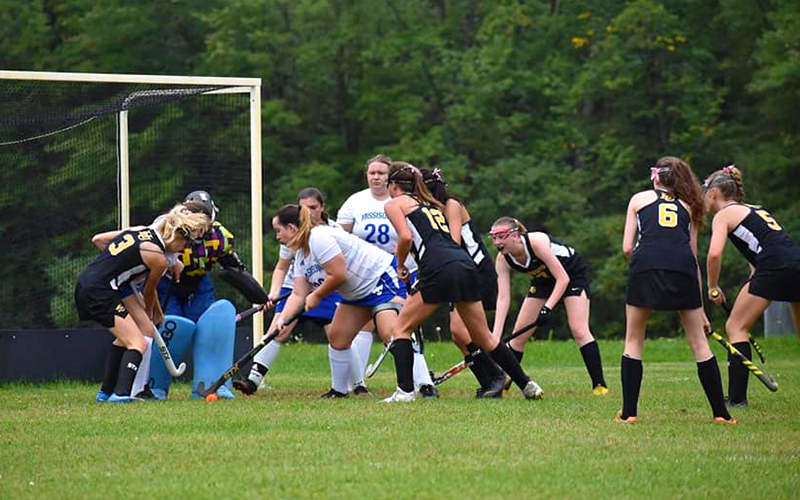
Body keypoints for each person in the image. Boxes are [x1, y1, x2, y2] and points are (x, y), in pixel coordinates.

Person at [384, 161, 544, 402]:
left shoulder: (394, 203)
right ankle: (526, 384)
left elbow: (405, 236)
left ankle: (405, 392)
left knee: (401, 329)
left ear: (393, 185)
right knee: (483, 336)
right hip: (464, 264)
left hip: (439, 267)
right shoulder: (431, 205)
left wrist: (400, 264)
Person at [619, 156, 735, 424]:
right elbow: (693, 257)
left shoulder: (638, 200)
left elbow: (627, 247)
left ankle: (629, 414)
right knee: (698, 342)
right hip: (682, 268)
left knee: (634, 339)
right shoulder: (689, 206)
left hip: (645, 265)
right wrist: (701, 309)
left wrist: (645, 264)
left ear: (656, 177)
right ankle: (721, 414)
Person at [275, 204, 407, 398]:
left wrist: (317, 295)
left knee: (391, 333)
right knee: (338, 337)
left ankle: (418, 386)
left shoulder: (319, 238)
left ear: (292, 229)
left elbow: (339, 274)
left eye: (279, 231)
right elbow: (298, 294)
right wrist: (282, 320)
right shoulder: (302, 255)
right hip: (356, 293)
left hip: (380, 278)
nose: (278, 237)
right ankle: (339, 390)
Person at [77, 210, 209, 403]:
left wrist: (155, 314)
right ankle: (121, 395)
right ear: (179, 236)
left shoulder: (143, 232)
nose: (185, 249)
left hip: (94, 284)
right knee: (137, 342)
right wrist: (151, 312)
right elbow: (149, 291)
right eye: (187, 244)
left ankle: (105, 393)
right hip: (100, 291)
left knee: (131, 336)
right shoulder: (158, 258)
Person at [337, 154, 438, 398]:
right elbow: (340, 237)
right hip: (366, 272)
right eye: (372, 173)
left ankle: (423, 382)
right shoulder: (356, 201)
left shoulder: (402, 201)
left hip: (400, 269)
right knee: (362, 324)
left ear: (390, 178)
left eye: (381, 173)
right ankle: (357, 383)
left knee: (400, 326)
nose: (376, 177)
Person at [235, 188, 347, 396]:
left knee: (337, 335)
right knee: (279, 329)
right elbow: (281, 267)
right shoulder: (292, 233)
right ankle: (253, 380)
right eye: (304, 208)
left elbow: (339, 268)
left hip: (326, 284)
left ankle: (353, 384)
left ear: (322, 208)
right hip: (295, 284)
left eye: (313, 207)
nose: (309, 213)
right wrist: (273, 294)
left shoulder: (332, 231)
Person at [704, 165, 800, 407]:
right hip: (793, 262)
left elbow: (714, 255)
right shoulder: (755, 209)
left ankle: (736, 400)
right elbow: (756, 260)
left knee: (735, 326)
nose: (702, 196)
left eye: (704, 190)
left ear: (714, 192)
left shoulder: (724, 215)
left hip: (774, 266)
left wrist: (712, 286)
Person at [488, 218, 608, 396]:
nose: (497, 243)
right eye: (493, 237)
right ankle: (503, 385)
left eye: (501, 237)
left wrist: (547, 308)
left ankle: (599, 385)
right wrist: (495, 337)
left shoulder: (536, 242)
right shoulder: (502, 260)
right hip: (543, 281)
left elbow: (563, 279)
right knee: (518, 336)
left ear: (514, 236)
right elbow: (503, 298)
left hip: (571, 275)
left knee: (579, 329)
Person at [421, 167, 506, 398]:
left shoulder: (451, 205)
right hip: (458, 271)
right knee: (459, 334)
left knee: (464, 330)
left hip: (473, 270)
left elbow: (454, 241)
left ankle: (498, 376)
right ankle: (490, 379)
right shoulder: (433, 209)